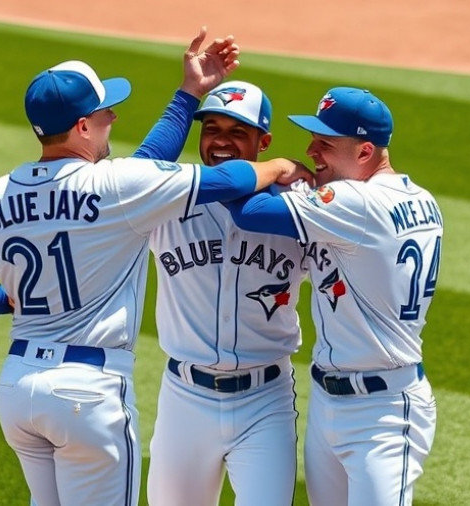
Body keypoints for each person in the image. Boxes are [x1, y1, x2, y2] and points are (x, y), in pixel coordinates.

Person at [0, 29, 311, 506]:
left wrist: (10, 299)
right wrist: (278, 167)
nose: (113, 116)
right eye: (103, 112)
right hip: (87, 393)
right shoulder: (115, 189)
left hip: (17, 387)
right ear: (82, 126)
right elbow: (224, 179)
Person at [224, 87, 442, 505]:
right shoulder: (423, 200)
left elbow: (247, 213)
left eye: (325, 143)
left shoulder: (357, 203)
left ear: (364, 152)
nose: (310, 150)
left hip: (382, 413)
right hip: (332, 401)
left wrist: (279, 167)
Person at [143, 81, 308, 506]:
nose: (220, 141)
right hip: (185, 399)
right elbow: (132, 173)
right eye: (211, 128)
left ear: (263, 140)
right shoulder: (170, 197)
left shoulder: (297, 209)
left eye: (237, 131)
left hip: (265, 401)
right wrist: (186, 93)